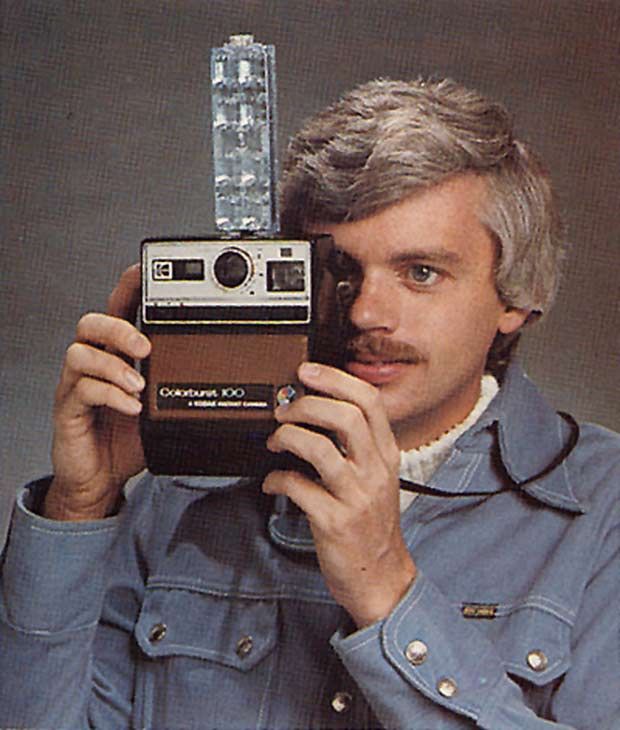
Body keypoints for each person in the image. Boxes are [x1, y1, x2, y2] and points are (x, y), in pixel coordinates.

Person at [1, 78, 618, 729]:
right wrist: (78, 509)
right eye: (340, 272)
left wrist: (389, 594)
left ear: (517, 295)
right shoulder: (176, 497)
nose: (366, 312)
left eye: (421, 273)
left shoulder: (603, 508)